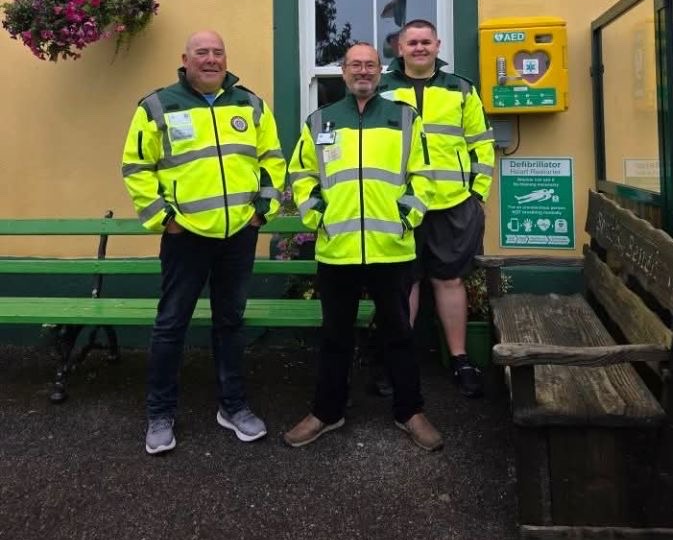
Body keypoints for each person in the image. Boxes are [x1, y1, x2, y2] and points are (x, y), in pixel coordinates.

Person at [121, 30, 286, 455]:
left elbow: (273, 160)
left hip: (238, 234)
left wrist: (260, 212)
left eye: (217, 52)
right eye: (202, 53)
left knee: (230, 324)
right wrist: (166, 220)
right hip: (186, 237)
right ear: (185, 59)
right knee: (171, 325)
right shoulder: (158, 105)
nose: (211, 59)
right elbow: (136, 167)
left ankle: (233, 407)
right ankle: (160, 415)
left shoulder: (250, 104)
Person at [283, 42, 443, 452]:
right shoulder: (320, 120)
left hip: (390, 248)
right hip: (338, 249)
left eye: (370, 65)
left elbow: (423, 175)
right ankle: (326, 411)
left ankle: (411, 412)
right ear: (342, 70)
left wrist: (406, 217)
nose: (363, 72)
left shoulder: (404, 117)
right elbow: (301, 175)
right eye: (355, 65)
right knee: (335, 336)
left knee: (400, 335)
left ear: (381, 70)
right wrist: (317, 215)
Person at [377, 19, 495, 398]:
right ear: (399, 47)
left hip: (451, 203)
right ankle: (399, 360)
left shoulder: (461, 89)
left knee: (449, 280)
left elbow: (481, 144)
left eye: (426, 42)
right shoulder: (381, 89)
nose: (419, 48)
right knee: (404, 281)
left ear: (437, 45)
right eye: (412, 42)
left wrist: (477, 194)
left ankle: (460, 359)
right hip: (399, 202)